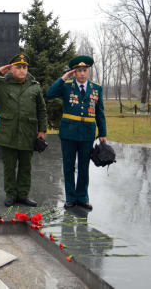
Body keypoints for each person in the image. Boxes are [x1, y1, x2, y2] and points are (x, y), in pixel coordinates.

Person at [0, 54, 47, 208]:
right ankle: (10, 194)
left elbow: (41, 110)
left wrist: (42, 130)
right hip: (8, 133)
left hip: (28, 132)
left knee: (25, 167)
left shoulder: (34, 86)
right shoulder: (1, 84)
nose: (22, 70)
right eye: (18, 67)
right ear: (11, 68)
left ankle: (23, 195)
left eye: (24, 67)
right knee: (9, 167)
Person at [47, 55, 107, 210]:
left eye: (84, 70)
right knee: (68, 166)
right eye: (78, 70)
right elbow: (50, 93)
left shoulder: (96, 88)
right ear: (74, 72)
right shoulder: (66, 86)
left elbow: (99, 112)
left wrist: (103, 133)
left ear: (89, 71)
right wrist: (63, 77)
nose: (82, 73)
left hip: (87, 133)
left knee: (84, 166)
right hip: (68, 133)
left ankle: (82, 197)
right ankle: (70, 198)